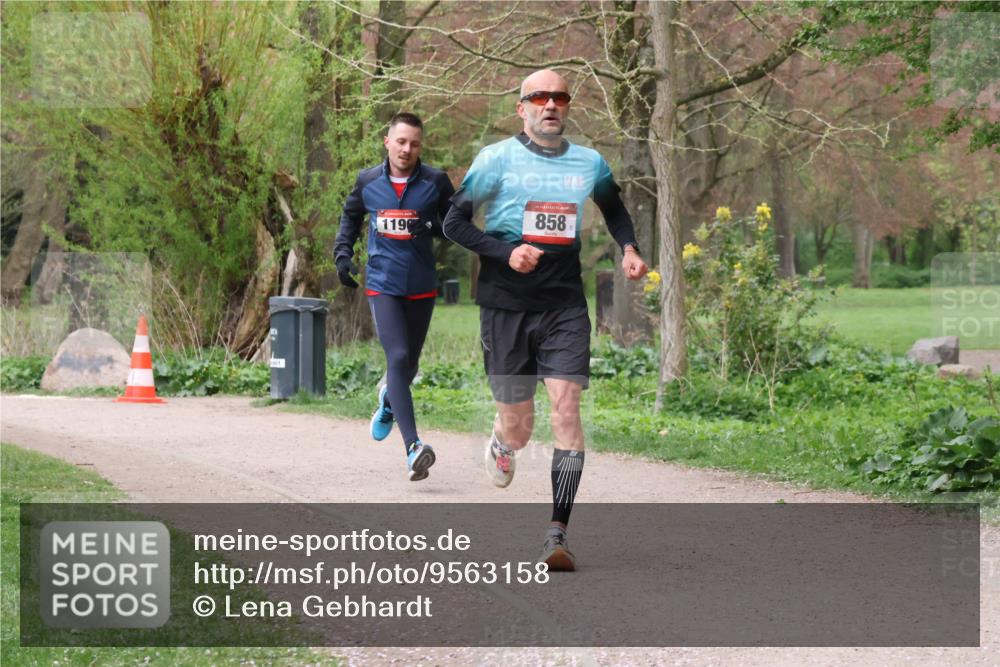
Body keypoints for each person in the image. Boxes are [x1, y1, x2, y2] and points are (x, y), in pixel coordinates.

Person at [443, 70, 648, 570]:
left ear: (567, 106)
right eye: (539, 97)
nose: (550, 104)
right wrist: (505, 252)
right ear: (522, 108)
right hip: (506, 306)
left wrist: (629, 248)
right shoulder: (495, 160)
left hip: (563, 305)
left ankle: (557, 533)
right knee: (520, 426)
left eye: (559, 97)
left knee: (566, 410)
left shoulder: (588, 162)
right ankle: (502, 438)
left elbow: (615, 210)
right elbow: (453, 224)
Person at [334, 112, 455, 482]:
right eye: (401, 142)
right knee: (398, 357)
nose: (407, 149)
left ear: (421, 146)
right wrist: (342, 254)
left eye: (415, 143)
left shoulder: (435, 182)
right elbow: (350, 216)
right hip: (382, 283)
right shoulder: (368, 180)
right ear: (388, 142)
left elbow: (455, 226)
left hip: (421, 286)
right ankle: (414, 448)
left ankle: (388, 400)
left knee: (408, 368)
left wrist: (431, 225)